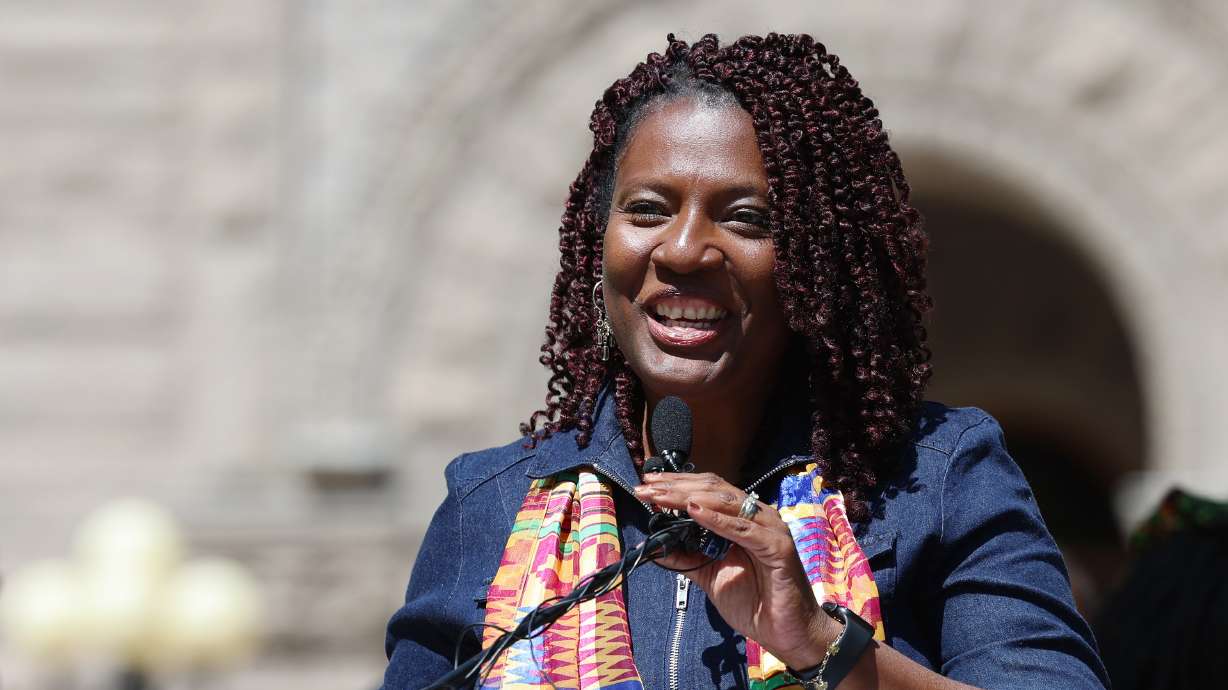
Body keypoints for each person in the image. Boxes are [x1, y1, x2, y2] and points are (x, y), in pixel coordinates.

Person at [382, 33, 1108, 689]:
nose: (683, 250)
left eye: (747, 218)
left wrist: (821, 643)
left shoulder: (938, 478)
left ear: (817, 262)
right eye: (647, 209)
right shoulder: (491, 504)